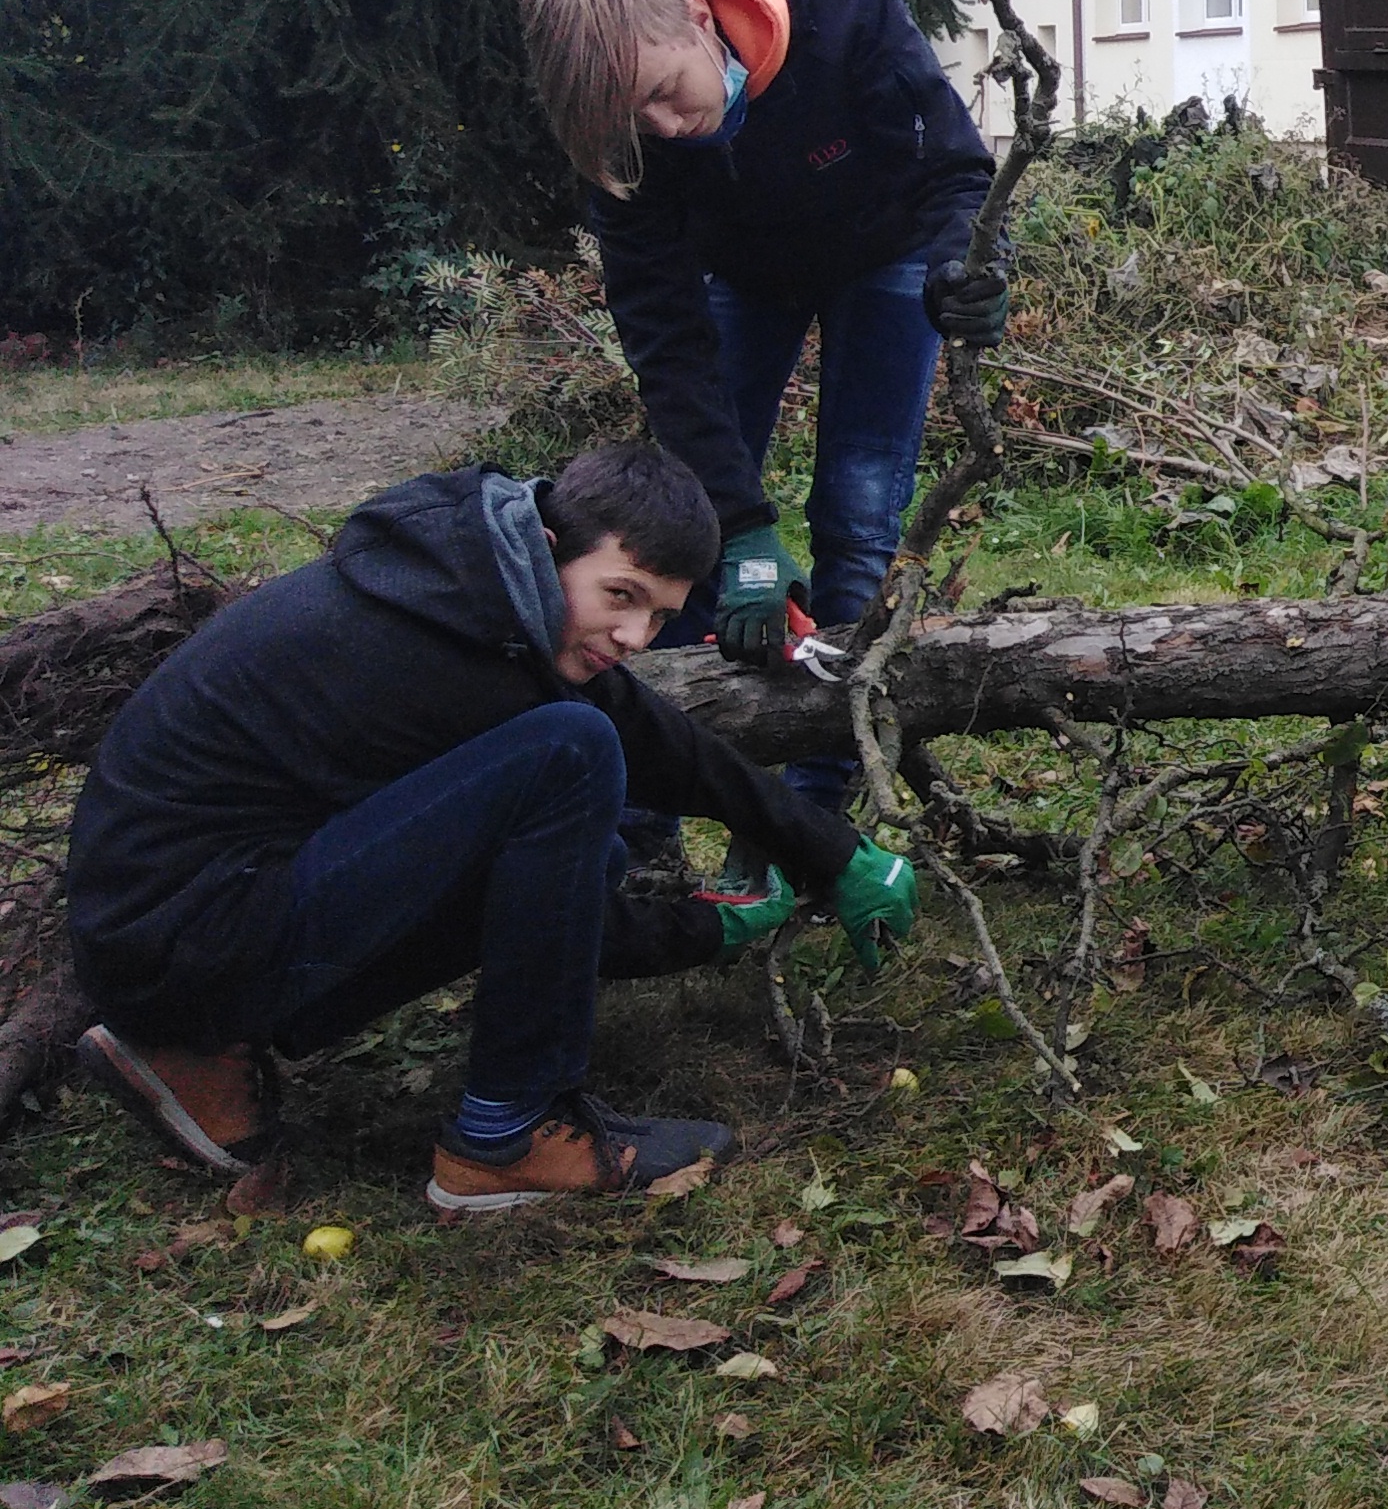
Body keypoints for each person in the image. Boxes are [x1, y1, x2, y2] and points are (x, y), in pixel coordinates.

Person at [67, 443, 919, 1213]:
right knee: (572, 755)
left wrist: (830, 848)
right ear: (552, 551)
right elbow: (533, 891)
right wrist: (703, 928)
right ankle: (507, 1133)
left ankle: (192, 1052)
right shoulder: (438, 657)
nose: (632, 636)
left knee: (595, 797)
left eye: (660, 617)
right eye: (620, 597)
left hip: (167, 926)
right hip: (181, 939)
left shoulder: (468, 586)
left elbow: (650, 732)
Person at [519, 0, 1009, 792]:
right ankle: (653, 800)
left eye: (668, 92)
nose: (668, 129)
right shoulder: (620, 135)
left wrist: (960, 265)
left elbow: (955, 167)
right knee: (682, 519)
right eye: (639, 122)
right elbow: (664, 336)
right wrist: (739, 527)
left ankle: (822, 789)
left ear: (701, 16)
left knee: (856, 514)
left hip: (887, 251)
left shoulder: (850, 11)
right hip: (742, 273)